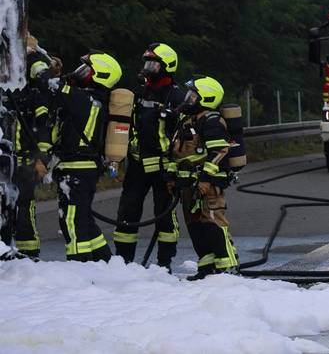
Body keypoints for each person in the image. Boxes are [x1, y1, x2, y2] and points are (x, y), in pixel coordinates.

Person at [114, 43, 187, 269]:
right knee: (127, 212)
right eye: (147, 63)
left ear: (167, 67)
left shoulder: (178, 97)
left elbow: (185, 138)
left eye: (153, 64)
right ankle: (123, 263)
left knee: (164, 216)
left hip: (165, 168)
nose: (148, 68)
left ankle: (164, 264)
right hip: (137, 166)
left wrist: (179, 169)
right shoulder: (139, 94)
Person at [52, 52, 122, 262]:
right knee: (84, 219)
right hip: (82, 169)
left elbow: (52, 87)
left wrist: (41, 61)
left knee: (72, 221)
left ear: (99, 75)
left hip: (77, 169)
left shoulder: (83, 99)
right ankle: (104, 262)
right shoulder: (93, 100)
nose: (79, 73)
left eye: (85, 70)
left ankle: (80, 267)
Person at [171, 76, 237, 280]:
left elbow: (219, 150)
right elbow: (177, 154)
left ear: (206, 98)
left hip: (207, 185)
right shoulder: (188, 121)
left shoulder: (211, 121)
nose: (188, 99)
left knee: (214, 223)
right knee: (196, 227)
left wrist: (206, 178)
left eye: (193, 95)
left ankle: (227, 267)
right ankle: (207, 267)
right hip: (188, 185)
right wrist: (171, 177)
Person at [8, 37, 58, 258]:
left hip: (27, 158)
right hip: (9, 158)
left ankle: (30, 256)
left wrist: (42, 159)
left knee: (23, 207)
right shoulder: (15, 91)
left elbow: (44, 127)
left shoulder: (36, 93)